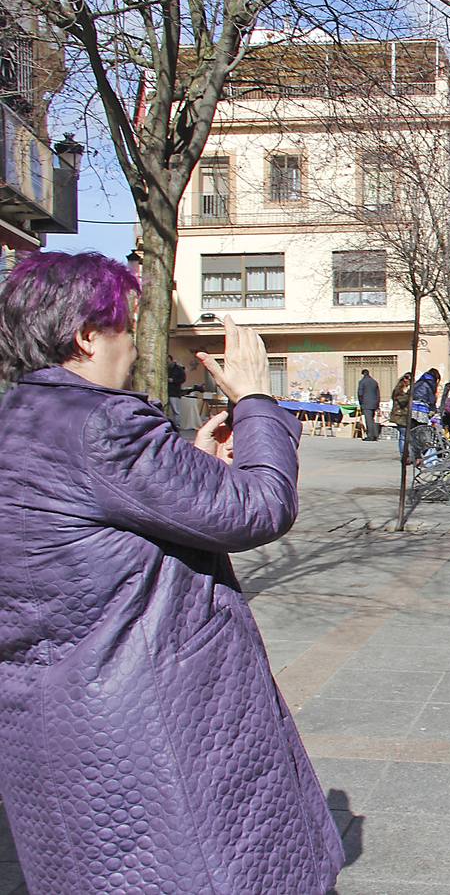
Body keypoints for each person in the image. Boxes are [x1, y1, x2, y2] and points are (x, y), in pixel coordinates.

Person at [0, 252, 342, 892]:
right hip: (151, 722)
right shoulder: (105, 423)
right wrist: (259, 401)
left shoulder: (19, 419)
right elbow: (260, 507)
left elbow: (84, 530)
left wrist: (186, 467)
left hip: (55, 721)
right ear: (86, 336)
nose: (132, 343)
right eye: (126, 326)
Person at [389, 371, 413, 459]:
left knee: (408, 436)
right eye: (406, 378)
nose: (407, 381)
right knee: (403, 436)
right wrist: (409, 393)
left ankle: (408, 455)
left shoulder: (408, 389)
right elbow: (403, 401)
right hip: (400, 416)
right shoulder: (399, 390)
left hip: (407, 415)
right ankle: (404, 455)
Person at [357, 367, 381, 441]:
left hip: (366, 403)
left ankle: (370, 436)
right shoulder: (374, 382)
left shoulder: (362, 382)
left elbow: (360, 394)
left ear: (363, 374)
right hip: (374, 403)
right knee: (372, 419)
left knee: (369, 420)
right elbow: (378, 394)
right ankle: (375, 435)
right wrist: (377, 404)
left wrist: (361, 403)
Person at [166, 353, 187, 427]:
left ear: (171, 360)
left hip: (174, 392)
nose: (167, 363)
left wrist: (173, 380)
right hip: (165, 392)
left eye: (168, 361)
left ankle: (177, 425)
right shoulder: (165, 369)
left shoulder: (179, 369)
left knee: (175, 410)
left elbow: (183, 379)